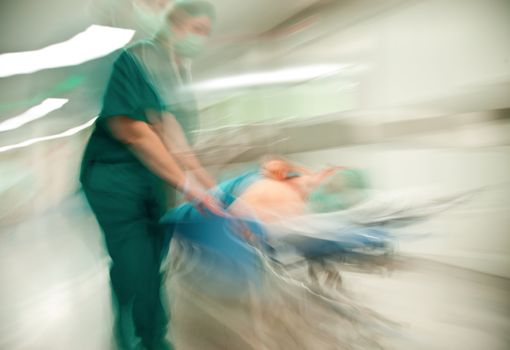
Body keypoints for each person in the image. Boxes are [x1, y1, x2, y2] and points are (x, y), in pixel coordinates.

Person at [79, 1, 219, 349]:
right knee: (137, 262)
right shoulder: (129, 56)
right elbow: (134, 132)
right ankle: (147, 338)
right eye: (196, 28)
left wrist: (212, 188)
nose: (198, 39)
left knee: (151, 260)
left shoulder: (169, 69)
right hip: (115, 180)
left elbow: (170, 132)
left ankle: (136, 317)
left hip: (150, 179)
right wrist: (188, 185)